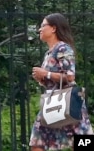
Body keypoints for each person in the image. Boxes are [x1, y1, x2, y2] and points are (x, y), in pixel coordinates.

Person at [29, 13, 93, 151]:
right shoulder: (49, 52)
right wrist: (42, 78)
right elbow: (53, 79)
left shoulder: (63, 48)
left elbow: (70, 76)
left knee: (82, 141)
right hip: (53, 101)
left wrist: (46, 73)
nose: (40, 29)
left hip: (68, 101)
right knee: (37, 141)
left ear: (53, 28)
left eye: (43, 26)